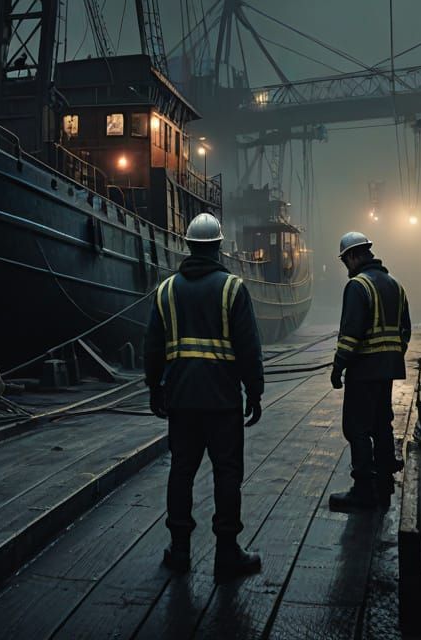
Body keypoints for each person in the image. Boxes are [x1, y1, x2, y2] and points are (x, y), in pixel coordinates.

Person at [144, 212, 265, 581]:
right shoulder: (232, 288)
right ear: (218, 247)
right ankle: (227, 552)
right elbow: (248, 347)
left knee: (181, 471)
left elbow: (152, 347)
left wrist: (154, 387)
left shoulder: (165, 290)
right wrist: (254, 392)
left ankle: (179, 549)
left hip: (181, 400)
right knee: (227, 474)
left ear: (188, 245)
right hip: (223, 402)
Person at [329, 231, 411, 512]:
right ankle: (385, 481)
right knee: (381, 423)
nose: (346, 267)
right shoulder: (395, 285)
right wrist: (390, 356)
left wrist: (338, 367)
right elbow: (405, 332)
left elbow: (350, 335)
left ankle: (363, 490)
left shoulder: (358, 287)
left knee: (357, 428)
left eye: (345, 261)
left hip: (363, 370)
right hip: (387, 369)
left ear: (352, 256)